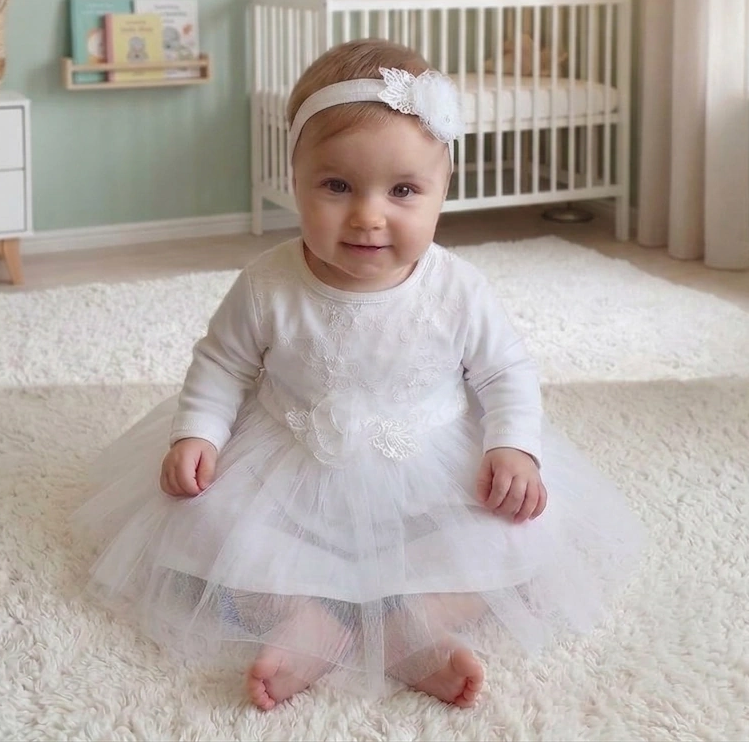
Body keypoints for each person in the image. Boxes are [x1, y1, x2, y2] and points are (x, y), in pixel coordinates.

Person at [73, 38, 643, 711]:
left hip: (429, 465)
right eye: (337, 186)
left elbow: (505, 372)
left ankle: (419, 623)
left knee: (519, 526)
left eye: (403, 191)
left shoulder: (457, 288)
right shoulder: (267, 284)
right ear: (296, 179)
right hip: (287, 459)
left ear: (443, 190)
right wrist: (198, 434)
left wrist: (513, 448)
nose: (369, 215)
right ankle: (302, 619)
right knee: (195, 517)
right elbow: (223, 363)